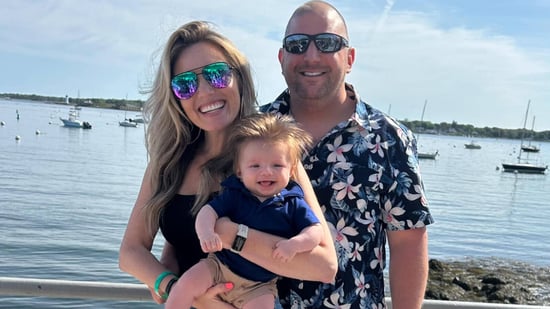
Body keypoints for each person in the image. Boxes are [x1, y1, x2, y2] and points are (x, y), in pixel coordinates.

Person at [118, 20, 337, 308]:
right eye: (186, 84)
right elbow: (131, 251)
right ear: (175, 97)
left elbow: (324, 266)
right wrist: (172, 286)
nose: (205, 91)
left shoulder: (273, 160)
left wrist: (232, 235)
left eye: (217, 75)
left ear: (240, 79)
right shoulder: (168, 163)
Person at [257, 1, 435, 308]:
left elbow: (408, 245)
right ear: (281, 57)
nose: (311, 56)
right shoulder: (252, 132)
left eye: (327, 44)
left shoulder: (389, 139)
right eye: (297, 45)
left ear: (349, 58)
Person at [166, 113, 323, 309]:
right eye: (255, 166)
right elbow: (207, 212)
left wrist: (295, 244)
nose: (266, 171)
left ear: (291, 171)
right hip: (218, 267)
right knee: (184, 286)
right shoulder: (235, 194)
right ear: (239, 171)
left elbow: (316, 231)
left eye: (277, 165)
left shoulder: (293, 203)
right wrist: (206, 232)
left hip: (259, 285)